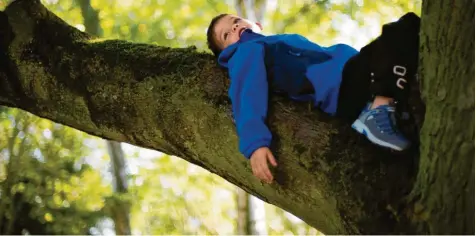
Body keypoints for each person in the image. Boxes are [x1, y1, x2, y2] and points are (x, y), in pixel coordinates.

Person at [206, 12, 420, 184]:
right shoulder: (246, 52)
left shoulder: (275, 42)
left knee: (409, 27)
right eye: (226, 35)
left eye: (235, 21)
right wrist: (255, 144)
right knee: (403, 29)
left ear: (256, 24)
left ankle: (383, 105)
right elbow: (246, 93)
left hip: (355, 73)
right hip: (343, 87)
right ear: (228, 52)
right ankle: (377, 111)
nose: (234, 28)